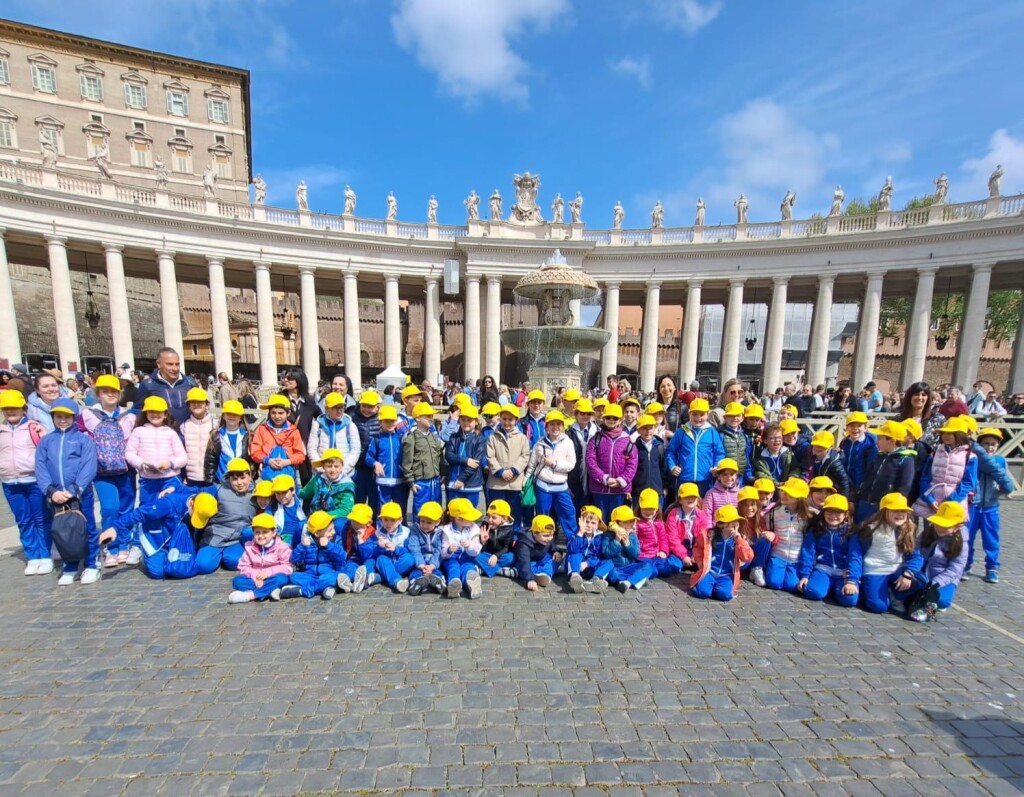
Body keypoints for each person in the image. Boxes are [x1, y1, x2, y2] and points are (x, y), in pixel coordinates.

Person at [35, 398, 100, 585]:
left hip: (79, 494)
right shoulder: (47, 441)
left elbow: (89, 465)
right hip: (56, 495)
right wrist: (50, 490)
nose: (62, 420)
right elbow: (40, 466)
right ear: (53, 417)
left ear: (74, 418)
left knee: (85, 528)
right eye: (58, 416)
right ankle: (70, 566)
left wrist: (75, 489)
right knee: (63, 531)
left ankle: (91, 564)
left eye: (66, 417)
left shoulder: (83, 440)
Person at [81, 374, 137, 566]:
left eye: (113, 391)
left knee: (127, 508)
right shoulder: (89, 414)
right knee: (110, 508)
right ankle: (110, 547)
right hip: (102, 471)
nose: (110, 395)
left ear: (119, 393)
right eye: (105, 391)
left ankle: (124, 544)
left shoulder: (128, 416)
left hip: (126, 469)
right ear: (98, 394)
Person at [0, 390, 52, 576]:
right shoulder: (1, 429)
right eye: (7, 409)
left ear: (23, 408)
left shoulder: (34, 427)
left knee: (41, 519)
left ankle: (45, 555)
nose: (11, 412)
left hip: (33, 480)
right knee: (23, 520)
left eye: (14, 408)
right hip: (10, 481)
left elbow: (46, 452)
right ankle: (32, 556)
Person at [846, 493, 922, 613]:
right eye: (895, 510)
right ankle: (869, 591)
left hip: (897, 571)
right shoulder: (868, 530)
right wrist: (853, 579)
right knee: (879, 606)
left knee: (921, 581)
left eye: (903, 510)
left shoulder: (907, 530)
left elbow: (916, 555)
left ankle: (896, 595)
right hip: (875, 571)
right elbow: (855, 556)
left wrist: (908, 573)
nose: (900, 514)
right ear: (884, 511)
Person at [905, 502, 969, 621]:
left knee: (942, 601)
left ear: (958, 526)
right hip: (922, 573)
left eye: (945, 525)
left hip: (942, 579)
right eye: (938, 523)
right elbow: (916, 550)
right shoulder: (929, 532)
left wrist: (937, 582)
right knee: (905, 590)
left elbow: (955, 569)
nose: (940, 527)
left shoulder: (962, 544)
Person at [967, 428, 1015, 584]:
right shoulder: (975, 458)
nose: (989, 447)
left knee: (991, 539)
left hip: (991, 506)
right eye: (986, 443)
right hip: (974, 505)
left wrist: (1003, 491)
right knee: (968, 538)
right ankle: (966, 564)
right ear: (980, 444)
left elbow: (1004, 478)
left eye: (993, 444)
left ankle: (992, 567)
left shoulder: (1000, 461)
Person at [194, 458, 256, 574]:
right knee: (203, 566)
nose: (239, 482)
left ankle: (226, 555)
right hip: (216, 536)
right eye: (235, 479)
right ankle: (212, 554)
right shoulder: (218, 489)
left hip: (236, 539)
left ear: (250, 476)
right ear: (229, 479)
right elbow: (197, 491)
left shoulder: (256, 493)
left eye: (243, 478)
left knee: (234, 562)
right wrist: (176, 490)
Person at [524, 410, 579, 541]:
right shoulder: (540, 443)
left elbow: (571, 464)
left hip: (561, 487)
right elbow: (532, 465)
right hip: (543, 486)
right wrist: (525, 482)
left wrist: (554, 464)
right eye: (552, 424)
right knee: (543, 517)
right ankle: (544, 545)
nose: (555, 427)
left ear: (562, 426)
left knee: (569, 515)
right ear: (546, 426)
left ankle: (573, 543)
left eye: (558, 424)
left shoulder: (568, 442)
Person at [795, 494, 857, 606]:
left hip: (843, 572)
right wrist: (805, 575)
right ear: (823, 512)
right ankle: (826, 586)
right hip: (823, 569)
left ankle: (835, 588)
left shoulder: (851, 532)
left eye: (838, 512)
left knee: (849, 600)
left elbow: (855, 556)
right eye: (829, 511)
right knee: (813, 592)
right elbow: (808, 551)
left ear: (846, 514)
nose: (833, 515)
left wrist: (851, 580)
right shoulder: (817, 529)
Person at [126, 396, 186, 508]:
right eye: (151, 411)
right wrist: (142, 464)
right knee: (149, 510)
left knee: (172, 510)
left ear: (165, 414)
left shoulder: (171, 433)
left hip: (171, 478)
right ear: (146, 413)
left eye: (159, 412)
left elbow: (182, 457)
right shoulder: (138, 432)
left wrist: (170, 463)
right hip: (148, 480)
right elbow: (129, 453)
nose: (155, 414)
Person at [279, 511, 350, 600]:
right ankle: (326, 588)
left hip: (328, 574)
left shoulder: (335, 540)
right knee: (293, 577)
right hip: (309, 575)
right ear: (317, 533)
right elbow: (294, 560)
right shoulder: (306, 542)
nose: (334, 532)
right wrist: (301, 546)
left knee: (333, 577)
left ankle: (302, 590)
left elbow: (343, 557)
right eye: (330, 530)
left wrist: (330, 546)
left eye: (333, 528)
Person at [854, 420, 916, 523]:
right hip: (864, 503)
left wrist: (892, 508)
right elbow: (866, 478)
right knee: (859, 530)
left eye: (880, 439)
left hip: (882, 507)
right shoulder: (879, 456)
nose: (877, 442)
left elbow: (903, 489)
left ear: (891, 440)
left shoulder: (905, 460)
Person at [689, 506, 754, 601]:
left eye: (736, 520)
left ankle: (716, 589)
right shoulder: (708, 536)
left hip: (726, 575)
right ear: (720, 525)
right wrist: (699, 562)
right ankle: (707, 586)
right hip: (710, 572)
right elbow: (697, 548)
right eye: (730, 521)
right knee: (702, 592)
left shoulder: (739, 539)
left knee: (725, 595)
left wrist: (739, 541)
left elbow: (748, 557)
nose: (735, 523)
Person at [228, 513, 294, 603]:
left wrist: (268, 572)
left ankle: (251, 595)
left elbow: (287, 567)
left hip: (273, 576)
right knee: (237, 581)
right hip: (255, 578)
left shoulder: (283, 547)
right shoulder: (249, 547)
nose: (261, 536)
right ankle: (270, 591)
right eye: (257, 532)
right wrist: (256, 576)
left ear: (274, 532)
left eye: (265, 532)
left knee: (282, 579)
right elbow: (243, 566)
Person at [586, 403, 637, 518]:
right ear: (603, 419)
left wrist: (621, 480)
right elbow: (590, 461)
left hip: (619, 490)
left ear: (620, 420)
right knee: (600, 522)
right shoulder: (596, 439)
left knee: (617, 522)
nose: (611, 420)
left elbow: (632, 464)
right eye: (608, 417)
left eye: (615, 418)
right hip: (600, 488)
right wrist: (604, 478)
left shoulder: (627, 440)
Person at [666, 398, 725, 496]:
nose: (698, 418)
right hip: (685, 479)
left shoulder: (712, 432)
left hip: (705, 479)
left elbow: (719, 453)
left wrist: (716, 467)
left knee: (703, 509)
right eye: (694, 414)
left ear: (707, 414)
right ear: (689, 414)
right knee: (683, 507)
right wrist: (672, 466)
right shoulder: (682, 431)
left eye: (702, 414)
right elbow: (670, 451)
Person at [762, 477, 812, 592]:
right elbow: (766, 528)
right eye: (783, 491)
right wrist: (772, 534)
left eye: (789, 493)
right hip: (778, 555)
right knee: (774, 582)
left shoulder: (809, 516)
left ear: (799, 498)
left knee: (791, 585)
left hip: (796, 559)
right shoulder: (774, 513)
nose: (784, 495)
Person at [357, 502, 414, 593]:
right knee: (381, 558)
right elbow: (367, 554)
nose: (389, 523)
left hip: (399, 562)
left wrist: (396, 549)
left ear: (400, 520)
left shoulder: (406, 532)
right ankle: (396, 581)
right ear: (381, 520)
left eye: (392, 520)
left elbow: (410, 550)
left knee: (409, 558)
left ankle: (378, 578)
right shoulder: (377, 533)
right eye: (385, 520)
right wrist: (378, 547)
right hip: (384, 563)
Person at [134, 348, 198, 425]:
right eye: (170, 364)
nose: (175, 368)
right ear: (159, 364)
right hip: (161, 434)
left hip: (188, 433)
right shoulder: (147, 385)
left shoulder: (190, 382)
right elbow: (137, 411)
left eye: (177, 364)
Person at [250, 394, 305, 481]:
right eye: (273, 413)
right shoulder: (262, 429)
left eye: (281, 413)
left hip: (288, 474)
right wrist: (267, 460)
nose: (277, 416)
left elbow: (300, 454)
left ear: (288, 413)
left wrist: (287, 462)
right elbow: (255, 451)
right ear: (269, 413)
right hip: (267, 473)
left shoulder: (294, 431)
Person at [403, 403, 444, 518]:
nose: (431, 419)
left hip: (435, 480)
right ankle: (418, 533)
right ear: (418, 418)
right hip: (421, 482)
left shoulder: (433, 437)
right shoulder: (412, 438)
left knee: (436, 509)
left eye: (432, 416)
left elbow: (439, 455)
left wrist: (443, 472)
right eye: (427, 416)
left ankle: (435, 533)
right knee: (420, 511)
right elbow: (407, 462)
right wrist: (411, 482)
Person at [603, 506, 655, 592]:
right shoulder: (608, 536)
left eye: (632, 522)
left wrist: (628, 544)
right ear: (616, 523)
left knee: (648, 567)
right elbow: (607, 554)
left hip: (630, 566)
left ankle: (628, 582)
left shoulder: (632, 536)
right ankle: (637, 579)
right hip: (616, 568)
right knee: (612, 575)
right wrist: (616, 541)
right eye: (625, 522)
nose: (629, 525)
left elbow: (636, 554)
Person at [440, 497, 484, 599]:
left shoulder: (474, 528)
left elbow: (476, 550)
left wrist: (469, 545)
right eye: (469, 517)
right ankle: (454, 583)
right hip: (451, 558)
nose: (473, 519)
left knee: (468, 568)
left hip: (468, 558)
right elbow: (443, 553)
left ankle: (471, 583)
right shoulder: (447, 530)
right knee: (453, 567)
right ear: (458, 519)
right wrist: (449, 549)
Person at [444, 404, 487, 507]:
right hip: (453, 481)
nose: (466, 423)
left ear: (476, 422)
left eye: (469, 420)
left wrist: (461, 479)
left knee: (469, 513)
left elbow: (476, 463)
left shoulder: (480, 439)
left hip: (471, 483)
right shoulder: (454, 437)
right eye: (463, 420)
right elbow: (449, 455)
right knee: (454, 513)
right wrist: (465, 460)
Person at [635, 488, 682, 578]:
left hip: (657, 555)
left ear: (657, 509)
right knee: (652, 572)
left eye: (651, 508)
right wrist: (638, 553)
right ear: (640, 508)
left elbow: (663, 539)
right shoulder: (637, 523)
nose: (648, 512)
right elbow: (635, 539)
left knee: (666, 571)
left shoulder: (659, 523)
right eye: (645, 508)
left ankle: (650, 569)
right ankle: (644, 570)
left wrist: (663, 551)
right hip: (644, 555)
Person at [365, 405, 405, 510]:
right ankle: (381, 526)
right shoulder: (377, 440)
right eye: (386, 421)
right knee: (382, 508)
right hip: (383, 480)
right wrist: (375, 463)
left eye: (392, 421)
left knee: (400, 509)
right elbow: (368, 457)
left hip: (399, 480)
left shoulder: (401, 438)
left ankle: (399, 526)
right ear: (380, 422)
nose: (390, 423)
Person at [566, 505, 613, 593]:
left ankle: (595, 580)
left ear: (598, 525)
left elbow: (599, 555)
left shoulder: (599, 538)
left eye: (593, 523)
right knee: (575, 554)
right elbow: (572, 549)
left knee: (609, 562)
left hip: (590, 567)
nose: (589, 525)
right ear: (581, 521)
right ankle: (575, 577)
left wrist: (587, 563)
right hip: (576, 566)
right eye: (586, 522)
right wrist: (580, 533)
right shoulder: (575, 534)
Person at [300, 448, 356, 520]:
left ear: (342, 466)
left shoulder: (347, 485)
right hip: (316, 516)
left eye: (336, 466)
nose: (333, 470)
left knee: (340, 525)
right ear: (323, 466)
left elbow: (345, 510)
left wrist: (324, 516)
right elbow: (304, 493)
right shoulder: (317, 479)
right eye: (329, 466)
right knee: (301, 526)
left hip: (336, 518)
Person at [347, 390, 381, 510]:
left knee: (375, 500)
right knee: (357, 498)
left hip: (375, 466)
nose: (366, 409)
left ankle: (374, 525)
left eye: (370, 407)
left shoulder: (382, 419)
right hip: (358, 465)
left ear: (377, 407)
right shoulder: (352, 417)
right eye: (364, 406)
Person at [204, 399, 251, 484]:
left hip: (242, 482)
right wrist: (211, 482)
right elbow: (210, 461)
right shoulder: (216, 435)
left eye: (235, 414)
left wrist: (251, 477)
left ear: (241, 417)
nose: (232, 416)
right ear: (223, 416)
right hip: (222, 480)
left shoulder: (247, 436)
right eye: (228, 413)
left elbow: (251, 461)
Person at [664, 483, 708, 571]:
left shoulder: (701, 515)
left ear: (698, 499)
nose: (690, 499)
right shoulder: (673, 514)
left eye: (693, 497)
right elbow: (673, 539)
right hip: (679, 547)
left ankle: (693, 563)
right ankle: (682, 563)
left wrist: (696, 555)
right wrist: (683, 556)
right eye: (687, 497)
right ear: (680, 500)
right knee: (674, 565)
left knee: (705, 564)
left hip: (695, 548)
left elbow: (702, 537)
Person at [406, 501, 447, 596]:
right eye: (422, 521)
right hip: (420, 559)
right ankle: (415, 583)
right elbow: (414, 548)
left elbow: (439, 550)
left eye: (429, 523)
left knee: (437, 571)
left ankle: (439, 582)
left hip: (435, 560)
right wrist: (421, 565)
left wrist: (432, 565)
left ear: (437, 522)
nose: (424, 525)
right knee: (415, 571)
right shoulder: (415, 530)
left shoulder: (441, 532)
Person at [514, 514, 557, 591]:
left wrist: (557, 551)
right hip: (530, 562)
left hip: (541, 558)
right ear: (534, 533)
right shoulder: (524, 543)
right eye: (546, 536)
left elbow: (552, 545)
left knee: (554, 559)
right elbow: (524, 562)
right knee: (523, 567)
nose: (549, 538)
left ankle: (543, 574)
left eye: (552, 535)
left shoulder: (548, 538)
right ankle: (541, 574)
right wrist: (530, 580)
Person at [181, 387, 214, 487]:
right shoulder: (184, 426)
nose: (196, 405)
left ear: (206, 404)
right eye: (193, 402)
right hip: (191, 476)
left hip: (211, 474)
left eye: (200, 402)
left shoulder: (215, 424)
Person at [476, 498, 516, 578]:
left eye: (493, 517)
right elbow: (480, 549)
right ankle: (500, 571)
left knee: (511, 557)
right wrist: (483, 542)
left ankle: (484, 569)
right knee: (475, 555)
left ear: (504, 518)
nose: (490, 520)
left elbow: (507, 548)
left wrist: (496, 555)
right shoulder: (485, 525)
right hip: (487, 554)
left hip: (500, 556)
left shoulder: (509, 529)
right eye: (488, 516)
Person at [808, 431, 851, 498]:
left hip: (832, 491)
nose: (818, 448)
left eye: (823, 446)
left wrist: (844, 498)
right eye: (816, 445)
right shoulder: (813, 457)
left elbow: (843, 480)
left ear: (830, 447)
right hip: (821, 489)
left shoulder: (834, 462)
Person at [717, 402, 752, 484]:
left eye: (738, 415)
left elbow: (747, 456)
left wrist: (748, 473)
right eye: (731, 416)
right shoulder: (721, 435)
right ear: (725, 418)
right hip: (726, 477)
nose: (734, 418)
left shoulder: (744, 436)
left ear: (742, 418)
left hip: (741, 477)